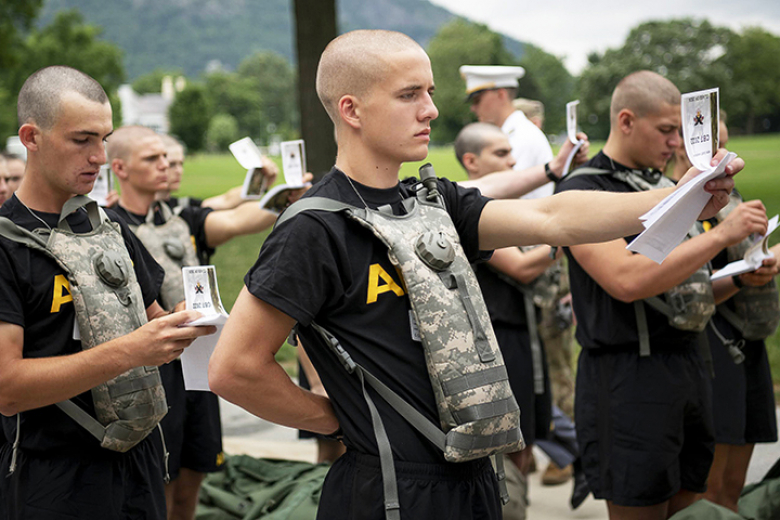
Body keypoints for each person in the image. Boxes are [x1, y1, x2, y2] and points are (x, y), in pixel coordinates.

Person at [208, 31, 742, 520]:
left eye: (430, 92)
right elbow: (233, 368)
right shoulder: (314, 228)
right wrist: (333, 418)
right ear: (352, 109)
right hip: (390, 490)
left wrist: (679, 197)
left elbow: (550, 217)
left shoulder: (431, 201)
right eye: (409, 95)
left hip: (471, 475)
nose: (432, 110)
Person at [0, 65, 215, 519]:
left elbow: (152, 319)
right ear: (31, 138)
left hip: (138, 460)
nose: (99, 156)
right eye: (82, 140)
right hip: (50, 478)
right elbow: (7, 387)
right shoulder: (6, 245)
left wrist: (181, 324)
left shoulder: (110, 228)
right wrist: (133, 350)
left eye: (104, 138)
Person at [555, 70, 769, 520]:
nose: (677, 143)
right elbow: (627, 281)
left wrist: (741, 277)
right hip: (629, 377)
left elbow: (684, 287)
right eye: (667, 130)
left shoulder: (660, 185)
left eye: (680, 130)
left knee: (693, 511)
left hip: (689, 366)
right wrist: (720, 234)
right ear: (627, 121)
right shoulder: (581, 188)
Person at [106, 125, 279, 520]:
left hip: (199, 363)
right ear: (120, 167)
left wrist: (288, 200)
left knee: (192, 477)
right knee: (157, 485)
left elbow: (239, 220)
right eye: (152, 159)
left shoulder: (180, 216)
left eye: (166, 158)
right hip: (151, 370)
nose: (166, 165)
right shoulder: (108, 226)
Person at [455, 121, 573, 519]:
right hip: (495, 342)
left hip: (526, 334)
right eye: (501, 154)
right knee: (505, 449)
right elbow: (521, 266)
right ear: (471, 161)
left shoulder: (503, 205)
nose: (513, 160)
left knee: (526, 439)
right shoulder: (467, 208)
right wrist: (566, 237)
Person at [668, 116, 779, 513]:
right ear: (679, 144)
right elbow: (672, 284)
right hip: (712, 345)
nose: (725, 160)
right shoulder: (671, 204)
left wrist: (764, 261)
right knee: (708, 491)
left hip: (746, 341)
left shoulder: (728, 195)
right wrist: (743, 275)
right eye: (714, 149)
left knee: (733, 486)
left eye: (728, 149)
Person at [460, 65, 554, 199]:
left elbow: (502, 193)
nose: (473, 108)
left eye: (477, 100)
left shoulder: (523, 136)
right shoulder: (513, 132)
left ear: (500, 94)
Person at [157, 134, 279, 212]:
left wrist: (261, 184)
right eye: (171, 164)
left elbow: (226, 200)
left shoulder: (181, 206)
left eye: (181, 164)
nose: (179, 171)